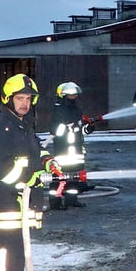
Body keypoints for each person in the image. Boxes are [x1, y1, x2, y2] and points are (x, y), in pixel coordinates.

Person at [0, 74, 62, 271]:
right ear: (8, 98)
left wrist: (48, 161)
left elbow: (35, 151)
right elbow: (2, 172)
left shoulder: (22, 125)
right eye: (20, 98)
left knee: (17, 255)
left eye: (28, 98)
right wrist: (32, 178)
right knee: (6, 256)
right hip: (5, 205)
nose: (25, 104)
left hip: (20, 203)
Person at [48, 81, 92, 209]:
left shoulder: (77, 110)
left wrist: (89, 128)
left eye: (74, 95)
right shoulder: (58, 110)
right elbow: (54, 130)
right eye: (70, 95)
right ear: (63, 95)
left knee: (75, 176)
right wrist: (67, 127)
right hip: (63, 150)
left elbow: (81, 130)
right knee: (58, 177)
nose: (73, 97)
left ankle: (71, 199)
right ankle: (55, 202)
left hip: (76, 150)